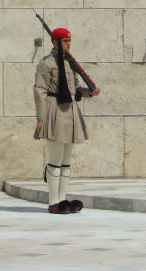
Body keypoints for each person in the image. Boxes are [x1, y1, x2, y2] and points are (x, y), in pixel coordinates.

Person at [33, 27, 100, 214]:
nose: (69, 44)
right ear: (54, 42)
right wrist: (41, 118)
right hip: (54, 110)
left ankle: (62, 200)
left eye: (70, 41)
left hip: (70, 111)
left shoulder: (70, 63)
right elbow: (40, 91)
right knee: (55, 160)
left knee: (66, 161)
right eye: (65, 41)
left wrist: (90, 93)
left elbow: (76, 89)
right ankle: (53, 202)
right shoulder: (46, 64)